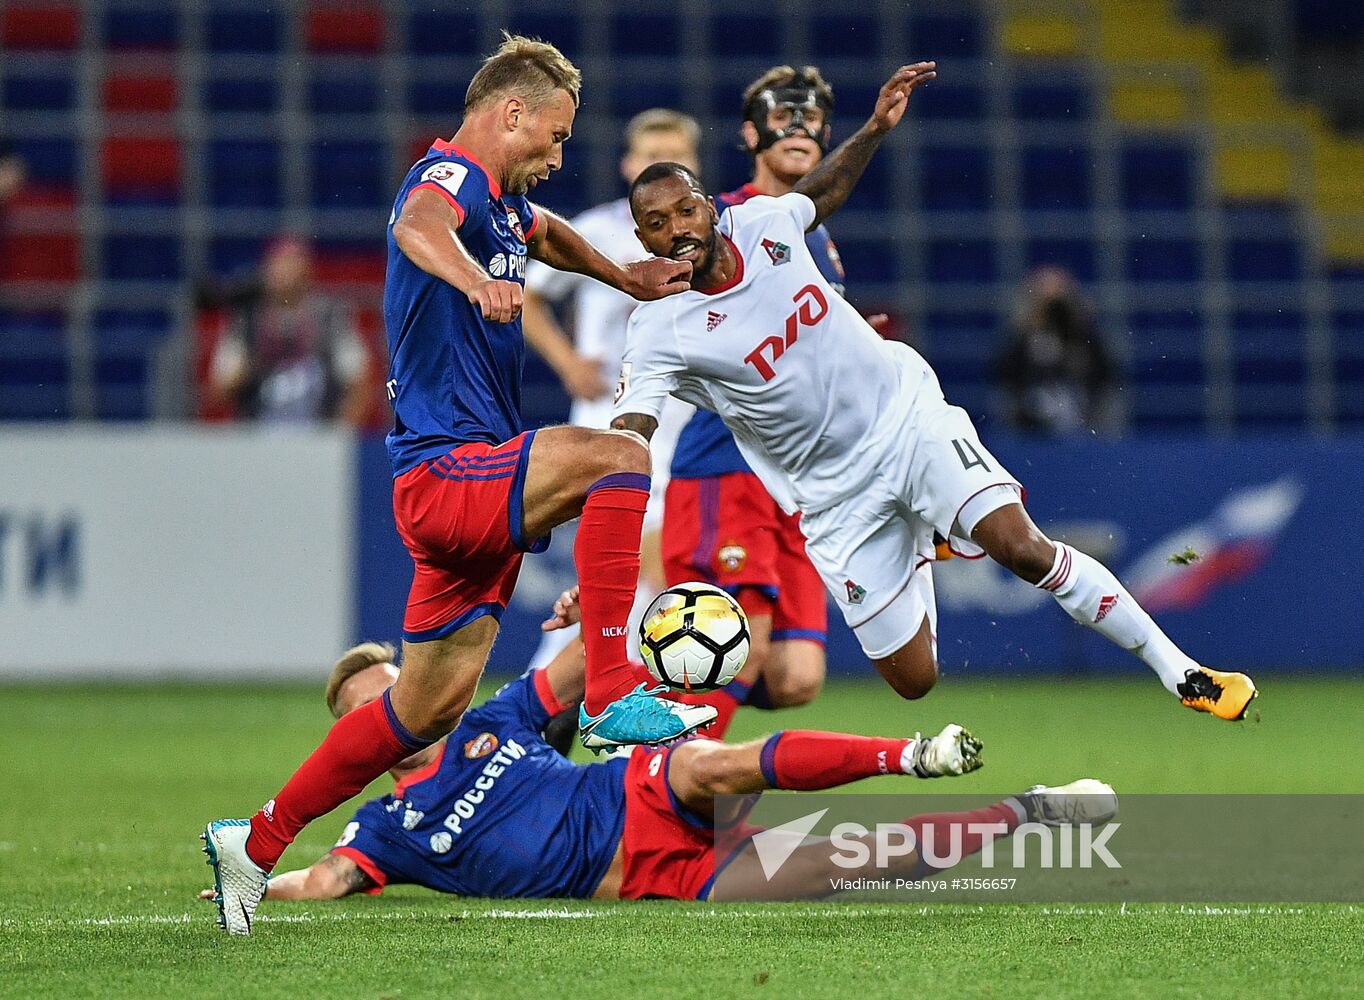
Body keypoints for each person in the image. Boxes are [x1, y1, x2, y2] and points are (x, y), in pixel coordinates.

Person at [204, 33, 711, 937]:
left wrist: (623, 274)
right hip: (448, 468)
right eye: (552, 137)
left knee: (424, 708)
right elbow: (415, 228)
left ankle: (258, 841)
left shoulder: (507, 206)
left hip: (462, 494)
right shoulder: (447, 181)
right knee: (620, 458)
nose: (557, 158)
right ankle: (608, 690)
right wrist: (476, 281)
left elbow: (544, 235)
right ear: (509, 112)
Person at [612, 63, 1258, 731]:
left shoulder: (764, 223)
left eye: (685, 209)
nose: (677, 228)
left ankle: (1182, 671)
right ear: (643, 241)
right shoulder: (660, 329)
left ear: (709, 207)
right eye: (657, 223)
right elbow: (629, 436)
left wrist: (875, 128)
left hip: (907, 419)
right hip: (833, 496)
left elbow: (824, 190)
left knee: (1024, 549)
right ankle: (923, 536)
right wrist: (611, 549)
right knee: (914, 681)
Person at [201, 590, 1115, 911]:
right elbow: (324, 881)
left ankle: (906, 754)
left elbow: (578, 670)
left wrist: (592, 618)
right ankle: (1034, 809)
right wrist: (253, 877)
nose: (390, 711)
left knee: (708, 762)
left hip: (636, 797)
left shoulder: (489, 723)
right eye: (368, 710)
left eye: (392, 691)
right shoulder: (387, 825)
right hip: (652, 879)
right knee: (858, 864)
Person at [662, 66, 849, 737]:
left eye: (815, 114)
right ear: (750, 132)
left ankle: (664, 711)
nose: (801, 126)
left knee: (795, 678)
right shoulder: (722, 222)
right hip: (728, 464)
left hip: (794, 479)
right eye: (783, 113)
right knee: (740, 649)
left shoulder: (818, 238)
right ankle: (657, 783)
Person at [520, 109, 703, 672]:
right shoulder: (595, 231)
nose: (663, 167)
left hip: (685, 428)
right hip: (614, 426)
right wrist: (569, 362)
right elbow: (526, 295)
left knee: (625, 590)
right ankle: (607, 716)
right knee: (650, 576)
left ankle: (545, 705)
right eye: (651, 157)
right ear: (629, 167)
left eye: (676, 156)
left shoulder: (711, 241)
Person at [206, 234, 373, 425]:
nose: (283, 272)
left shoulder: (330, 316)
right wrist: (252, 364)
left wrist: (337, 434)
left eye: (292, 263)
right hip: (257, 434)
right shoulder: (247, 320)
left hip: (317, 431)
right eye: (278, 264)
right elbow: (220, 390)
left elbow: (359, 383)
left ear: (307, 270)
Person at [996, 266, 1119, 435]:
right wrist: (1027, 330)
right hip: (1030, 427)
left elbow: (1108, 374)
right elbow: (1003, 374)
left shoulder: (1085, 338)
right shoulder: (1021, 339)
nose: (1052, 310)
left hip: (1082, 422)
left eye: (1057, 302)